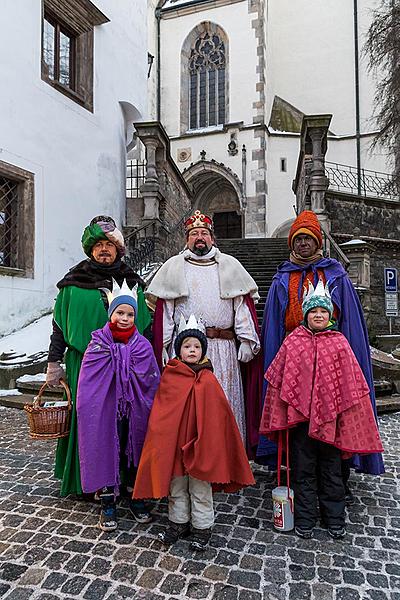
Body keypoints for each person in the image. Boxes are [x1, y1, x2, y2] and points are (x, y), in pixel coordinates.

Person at [258, 210, 384, 490]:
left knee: (335, 418)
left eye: (308, 239)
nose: (303, 244)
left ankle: (337, 478)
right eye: (298, 239)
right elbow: (275, 327)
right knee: (298, 421)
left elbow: (348, 322)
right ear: (292, 244)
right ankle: (299, 477)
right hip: (296, 361)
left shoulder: (336, 275)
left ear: (318, 242)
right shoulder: (282, 278)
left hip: (331, 363)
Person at [259, 280, 384, 539]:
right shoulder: (293, 341)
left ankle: (334, 518)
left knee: (332, 472)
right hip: (301, 423)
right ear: (306, 314)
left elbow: (352, 386)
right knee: (302, 472)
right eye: (314, 311)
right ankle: (305, 518)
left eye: (323, 312)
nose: (318, 315)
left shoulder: (339, 343)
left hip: (332, 423)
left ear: (329, 316)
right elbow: (279, 379)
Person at [46, 216, 151, 497]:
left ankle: (125, 476)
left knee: (126, 420)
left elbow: (145, 327)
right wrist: (53, 363)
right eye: (99, 245)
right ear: (90, 250)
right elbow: (59, 325)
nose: (104, 249)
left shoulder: (132, 282)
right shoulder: (72, 283)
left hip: (126, 365)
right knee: (90, 421)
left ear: (118, 250)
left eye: (110, 245)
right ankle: (89, 481)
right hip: (84, 363)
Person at [133, 315, 255, 550]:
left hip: (201, 447)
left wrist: (208, 442)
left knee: (200, 488)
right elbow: (163, 413)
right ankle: (178, 522)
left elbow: (218, 417)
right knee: (176, 486)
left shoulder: (208, 380)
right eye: (187, 346)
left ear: (203, 350)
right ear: (179, 350)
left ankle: (202, 526)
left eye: (197, 347)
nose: (192, 350)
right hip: (176, 446)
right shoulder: (171, 376)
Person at [147, 210, 262, 456]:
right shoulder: (174, 267)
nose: (199, 237)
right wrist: (165, 347)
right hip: (186, 352)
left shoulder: (230, 266)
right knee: (190, 407)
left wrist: (246, 339)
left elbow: (241, 305)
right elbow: (166, 311)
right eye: (194, 233)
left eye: (204, 233)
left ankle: (227, 456)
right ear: (186, 239)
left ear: (212, 238)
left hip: (223, 350)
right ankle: (191, 456)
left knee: (223, 402)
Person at [76, 281, 160, 530]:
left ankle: (137, 497)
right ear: (111, 313)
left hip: (135, 411)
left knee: (135, 449)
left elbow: (150, 380)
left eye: (130, 314)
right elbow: (88, 383)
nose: (125, 318)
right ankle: (108, 501)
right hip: (105, 410)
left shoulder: (143, 346)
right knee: (105, 449)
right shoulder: (97, 345)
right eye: (120, 312)